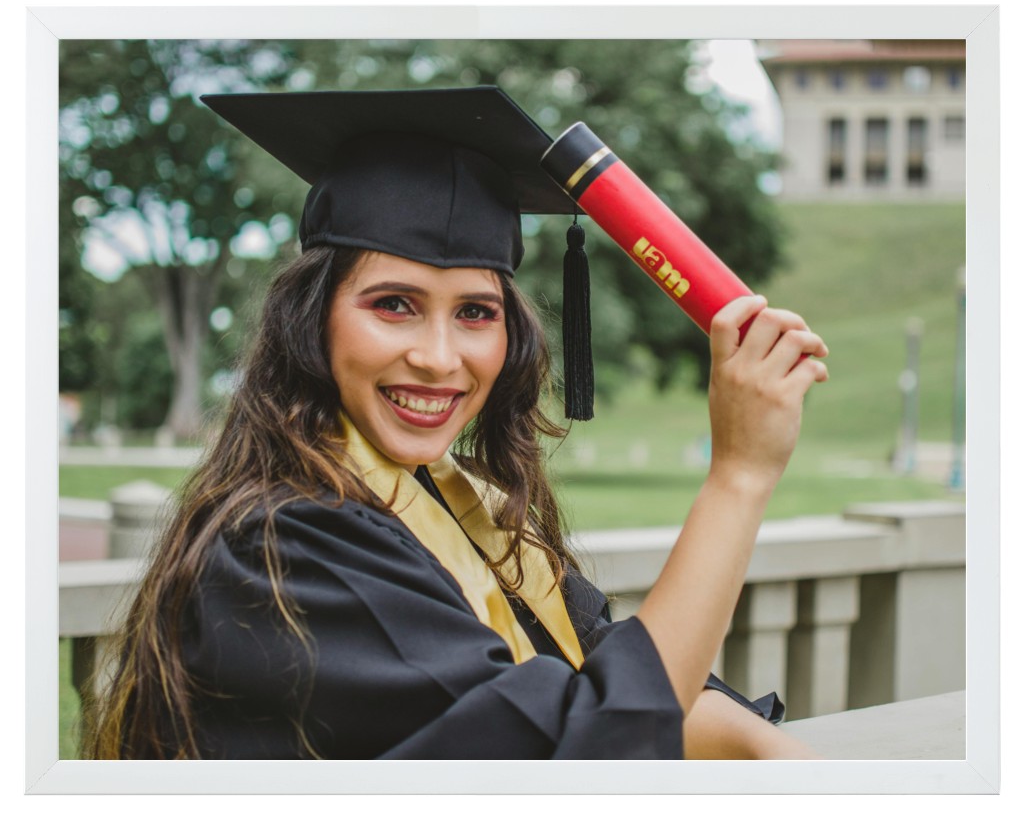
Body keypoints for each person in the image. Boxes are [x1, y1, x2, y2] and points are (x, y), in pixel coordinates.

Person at [85, 86, 827, 760]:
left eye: (476, 312)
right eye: (393, 304)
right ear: (311, 322)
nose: (440, 358)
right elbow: (584, 749)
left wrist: (757, 740)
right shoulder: (285, 547)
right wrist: (739, 475)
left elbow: (607, 679)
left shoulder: (462, 506)